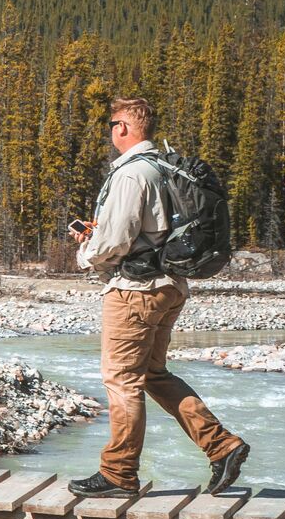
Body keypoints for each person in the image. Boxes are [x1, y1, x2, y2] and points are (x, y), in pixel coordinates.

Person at [69, 97, 249, 498]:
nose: (109, 129)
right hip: (169, 287)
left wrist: (86, 251)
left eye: (112, 122)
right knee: (152, 375)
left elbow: (114, 241)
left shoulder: (132, 174)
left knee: (122, 381)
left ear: (123, 128)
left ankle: (118, 473)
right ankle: (222, 446)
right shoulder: (165, 167)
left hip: (135, 291)